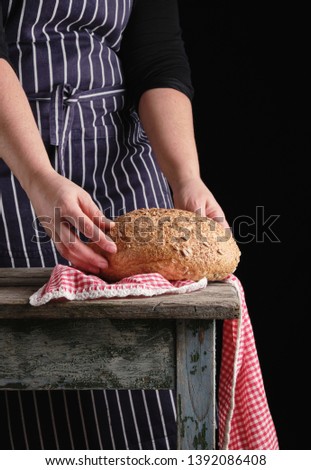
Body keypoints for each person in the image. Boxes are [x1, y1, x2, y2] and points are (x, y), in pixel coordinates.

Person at [0, 0, 227, 449]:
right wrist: (40, 177)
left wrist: (185, 177)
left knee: (143, 409)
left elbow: (156, 56)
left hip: (120, 166)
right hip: (13, 157)